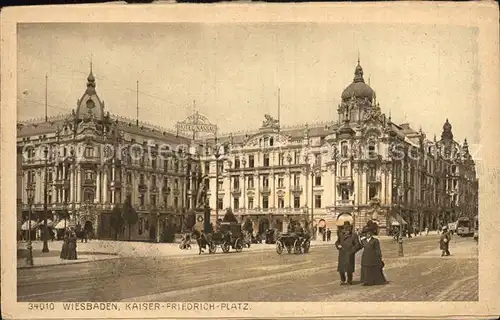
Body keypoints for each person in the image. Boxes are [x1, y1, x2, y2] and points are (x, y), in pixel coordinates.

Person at [334, 221, 360, 285]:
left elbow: (357, 245)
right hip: (342, 253)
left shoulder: (354, 235)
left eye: (348, 228)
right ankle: (342, 280)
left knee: (349, 268)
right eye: (345, 228)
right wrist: (338, 246)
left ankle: (349, 280)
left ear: (350, 228)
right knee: (341, 269)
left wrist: (352, 251)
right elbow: (337, 242)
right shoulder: (341, 235)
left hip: (349, 254)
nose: (346, 229)